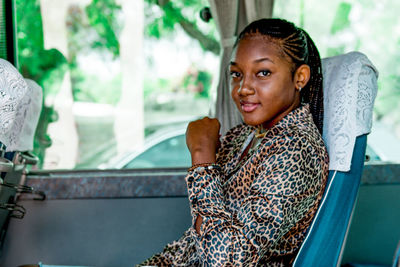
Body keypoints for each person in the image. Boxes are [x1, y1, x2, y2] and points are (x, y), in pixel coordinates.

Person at [138, 18, 329, 266]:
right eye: (236, 74)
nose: (243, 88)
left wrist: (201, 156)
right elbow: (194, 242)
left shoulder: (296, 151)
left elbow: (225, 260)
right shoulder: (243, 136)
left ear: (300, 77)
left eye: (263, 73)